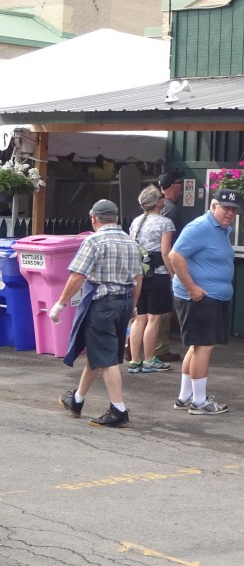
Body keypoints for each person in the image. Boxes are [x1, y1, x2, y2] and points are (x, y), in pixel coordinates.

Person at [54, 199, 143, 427]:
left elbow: (77, 276)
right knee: (101, 353)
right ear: (115, 218)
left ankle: (118, 409)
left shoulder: (93, 241)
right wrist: (133, 305)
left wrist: (60, 304)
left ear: (94, 218)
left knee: (107, 359)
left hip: (102, 303)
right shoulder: (130, 241)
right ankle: (77, 400)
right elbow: (138, 278)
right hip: (123, 302)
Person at [165, 188, 239, 415]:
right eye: (225, 208)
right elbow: (175, 255)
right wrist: (192, 288)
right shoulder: (200, 227)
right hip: (198, 297)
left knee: (197, 346)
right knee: (204, 347)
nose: (230, 213)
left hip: (211, 296)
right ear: (213, 206)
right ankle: (198, 402)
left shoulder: (222, 229)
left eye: (234, 210)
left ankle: (185, 397)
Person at [127, 186, 176, 374]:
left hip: (139, 274)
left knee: (140, 318)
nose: (164, 199)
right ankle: (149, 360)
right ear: (157, 202)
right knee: (154, 319)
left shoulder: (136, 222)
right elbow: (165, 252)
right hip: (158, 273)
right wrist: (173, 276)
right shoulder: (165, 223)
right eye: (162, 197)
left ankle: (134, 360)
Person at [153, 170, 185, 363]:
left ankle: (130, 345)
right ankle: (160, 349)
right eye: (180, 183)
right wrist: (173, 272)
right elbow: (167, 246)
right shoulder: (170, 210)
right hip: (163, 264)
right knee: (162, 311)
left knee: (143, 312)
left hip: (149, 265)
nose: (182, 187)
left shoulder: (151, 213)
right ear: (173, 185)